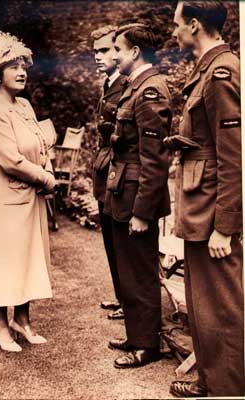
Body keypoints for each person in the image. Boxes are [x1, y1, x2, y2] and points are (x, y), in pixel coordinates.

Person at [163, 1, 244, 397]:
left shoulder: (221, 72)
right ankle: (212, 381)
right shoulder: (207, 69)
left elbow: (235, 156)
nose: (174, 31)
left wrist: (225, 228)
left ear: (194, 25)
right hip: (201, 206)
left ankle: (229, 389)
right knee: (204, 306)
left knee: (224, 308)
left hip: (213, 212)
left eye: (177, 24)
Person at [0, 32, 56, 352]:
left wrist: (48, 168)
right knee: (6, 261)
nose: (22, 71)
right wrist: (46, 178)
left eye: (24, 64)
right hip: (9, 198)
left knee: (29, 258)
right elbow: (11, 160)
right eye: (13, 66)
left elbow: (41, 141)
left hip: (31, 197)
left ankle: (22, 321)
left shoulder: (24, 105)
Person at [104, 23, 172, 368]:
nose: (113, 55)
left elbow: (156, 158)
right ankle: (137, 334)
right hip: (123, 190)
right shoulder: (136, 86)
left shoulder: (150, 90)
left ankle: (147, 345)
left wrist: (143, 212)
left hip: (136, 196)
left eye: (117, 49)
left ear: (134, 52)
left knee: (141, 270)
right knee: (128, 269)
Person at [91, 25, 126, 320]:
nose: (98, 57)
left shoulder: (127, 84)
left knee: (121, 239)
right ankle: (121, 295)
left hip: (118, 170)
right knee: (109, 237)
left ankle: (130, 301)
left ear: (118, 51)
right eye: (95, 52)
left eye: (104, 50)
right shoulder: (108, 83)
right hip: (104, 169)